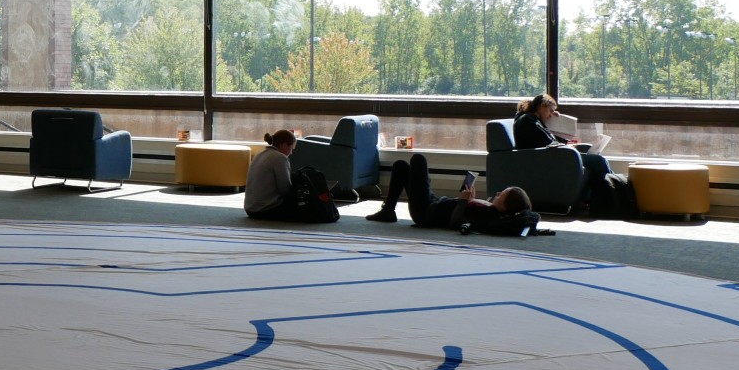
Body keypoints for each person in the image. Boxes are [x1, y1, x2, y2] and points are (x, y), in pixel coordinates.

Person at [366, 153, 550, 236]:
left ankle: (389, 211)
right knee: (400, 166)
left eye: (503, 195)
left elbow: (455, 223)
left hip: (426, 213)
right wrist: (468, 199)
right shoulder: (491, 209)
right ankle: (388, 211)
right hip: (435, 203)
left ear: (505, 206)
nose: (499, 193)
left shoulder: (489, 214)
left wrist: (463, 202)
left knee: (418, 160)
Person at [514, 94, 613, 209]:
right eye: (550, 111)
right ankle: (611, 196)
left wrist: (557, 122)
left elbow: (548, 139)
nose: (551, 115)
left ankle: (605, 196)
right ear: (542, 106)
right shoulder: (528, 120)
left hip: (555, 156)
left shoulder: (534, 120)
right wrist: (565, 147)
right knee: (598, 161)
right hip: (549, 159)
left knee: (598, 160)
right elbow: (546, 142)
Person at [243, 128, 336, 222]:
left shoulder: (259, 155)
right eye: (291, 148)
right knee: (310, 207)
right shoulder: (280, 158)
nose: (291, 153)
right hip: (266, 209)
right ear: (284, 145)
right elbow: (285, 190)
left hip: (250, 208)